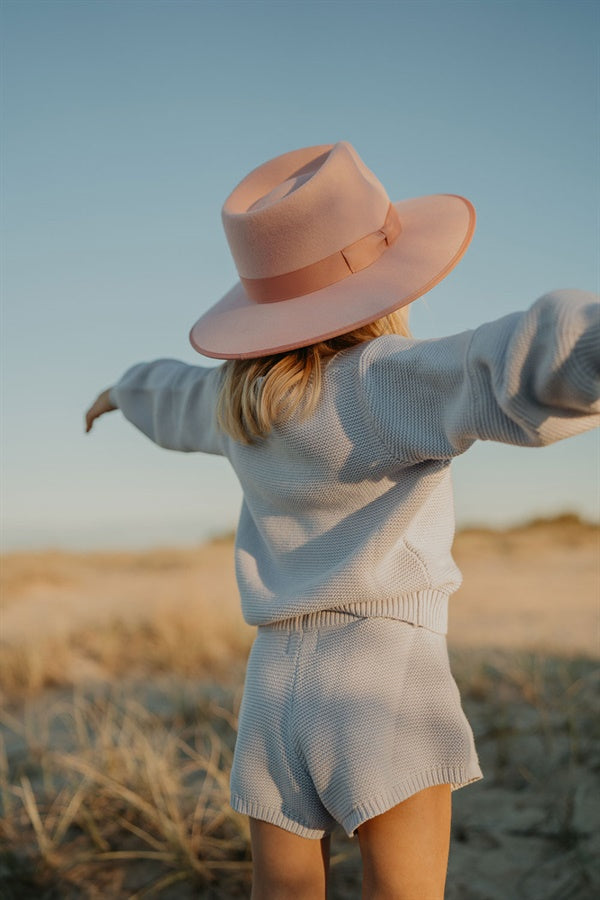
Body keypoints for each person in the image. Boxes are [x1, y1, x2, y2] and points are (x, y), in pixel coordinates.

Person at [85, 142, 599, 900]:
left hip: (273, 686)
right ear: (388, 289)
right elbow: (519, 357)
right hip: (386, 675)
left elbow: (170, 394)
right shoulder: (381, 382)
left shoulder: (238, 407)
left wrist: (120, 393)